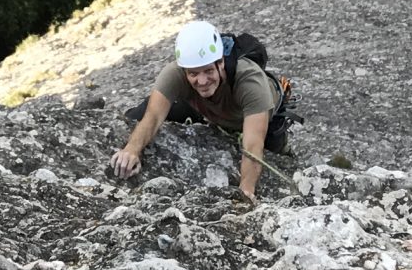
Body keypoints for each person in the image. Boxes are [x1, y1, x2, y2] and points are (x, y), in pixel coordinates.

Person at [109, 19, 286, 201]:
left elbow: (252, 146)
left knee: (278, 155)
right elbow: (153, 116)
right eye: (193, 73)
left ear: (221, 62)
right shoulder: (176, 73)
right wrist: (131, 149)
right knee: (138, 113)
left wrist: (245, 192)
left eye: (208, 71)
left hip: (257, 118)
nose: (202, 81)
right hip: (204, 108)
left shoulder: (250, 82)